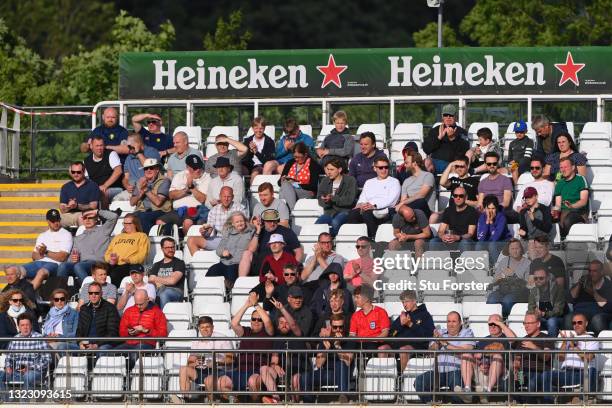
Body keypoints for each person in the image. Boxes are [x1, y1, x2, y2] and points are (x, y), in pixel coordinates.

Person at [414, 311, 475, 403]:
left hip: (456, 370)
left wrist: (445, 344)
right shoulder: (440, 332)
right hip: (437, 371)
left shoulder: (467, 333)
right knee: (419, 381)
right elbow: (430, 352)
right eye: (448, 321)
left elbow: (467, 350)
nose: (450, 324)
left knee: (457, 388)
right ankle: (431, 404)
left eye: (454, 321)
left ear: (460, 323)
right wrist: (437, 342)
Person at [5, 209, 72, 290]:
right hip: (39, 262)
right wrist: (42, 253)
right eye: (53, 221)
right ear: (48, 221)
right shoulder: (42, 235)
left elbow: (62, 257)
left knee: (41, 272)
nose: (56, 223)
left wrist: (46, 252)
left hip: (55, 264)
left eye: (57, 220)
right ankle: (13, 294)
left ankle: (28, 294)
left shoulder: (66, 234)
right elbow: (34, 255)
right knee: (18, 271)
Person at [542, 312, 599, 403]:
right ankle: (548, 403)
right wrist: (565, 342)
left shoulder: (592, 340)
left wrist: (574, 346)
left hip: (581, 373)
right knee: (546, 375)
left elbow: (588, 358)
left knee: (592, 371)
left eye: (579, 322)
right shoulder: (569, 340)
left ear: (586, 323)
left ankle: (583, 398)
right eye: (574, 323)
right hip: (566, 373)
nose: (576, 325)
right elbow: (560, 358)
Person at [176, 316, 234, 403]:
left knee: (209, 379)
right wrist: (194, 363)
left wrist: (216, 363)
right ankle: (185, 399)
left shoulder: (222, 338)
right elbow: (190, 362)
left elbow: (231, 359)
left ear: (212, 327)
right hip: (202, 370)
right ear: (199, 328)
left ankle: (212, 402)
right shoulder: (197, 341)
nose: (205, 329)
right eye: (202, 327)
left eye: (207, 327)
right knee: (183, 369)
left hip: (219, 371)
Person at [298, 313, 354, 403]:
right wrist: (326, 350)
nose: (338, 330)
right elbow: (319, 364)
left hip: (343, 375)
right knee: (305, 376)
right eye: (335, 327)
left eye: (341, 327)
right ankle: (308, 401)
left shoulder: (349, 340)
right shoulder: (325, 340)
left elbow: (348, 362)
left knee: (340, 364)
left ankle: (343, 396)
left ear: (344, 327)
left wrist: (338, 346)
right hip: (327, 374)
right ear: (331, 327)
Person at [260, 297, 305, 404]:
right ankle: (276, 399)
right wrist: (275, 365)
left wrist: (282, 309)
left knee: (295, 379)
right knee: (264, 369)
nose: (284, 325)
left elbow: (293, 325)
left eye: (286, 323)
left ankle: (294, 403)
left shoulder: (297, 334)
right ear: (278, 325)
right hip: (282, 373)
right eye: (281, 323)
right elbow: (274, 359)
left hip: (298, 371)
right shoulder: (277, 338)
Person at [57, 208, 118, 287]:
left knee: (78, 266)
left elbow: (114, 216)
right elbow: (71, 258)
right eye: (85, 218)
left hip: (99, 264)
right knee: (63, 266)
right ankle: (60, 293)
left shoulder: (103, 230)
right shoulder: (78, 238)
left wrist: (96, 211)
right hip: (82, 265)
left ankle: (90, 290)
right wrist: (73, 259)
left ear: (96, 219)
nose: (87, 220)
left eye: (90, 217)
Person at [229, 292, 274, 398]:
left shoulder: (268, 333)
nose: (256, 321)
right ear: (250, 320)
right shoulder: (246, 331)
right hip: (240, 371)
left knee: (253, 381)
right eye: (253, 319)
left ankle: (255, 404)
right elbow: (234, 323)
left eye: (259, 320)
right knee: (222, 381)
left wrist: (256, 305)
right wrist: (247, 305)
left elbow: (267, 321)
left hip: (258, 372)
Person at [346, 156, 400, 239]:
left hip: (384, 210)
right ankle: (355, 238)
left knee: (367, 212)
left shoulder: (394, 182)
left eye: (386, 167)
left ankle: (373, 237)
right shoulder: (369, 182)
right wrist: (360, 205)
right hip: (368, 207)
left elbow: (391, 201)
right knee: (353, 213)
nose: (384, 170)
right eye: (381, 168)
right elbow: (363, 197)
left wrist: (374, 206)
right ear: (375, 168)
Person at [239, 209, 303, 277]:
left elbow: (298, 251)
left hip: (281, 264)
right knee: (246, 253)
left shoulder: (287, 232)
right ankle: (241, 282)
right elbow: (251, 250)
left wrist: (294, 267)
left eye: (274, 221)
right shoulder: (260, 232)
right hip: (262, 265)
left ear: (277, 221)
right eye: (269, 221)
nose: (272, 224)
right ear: (264, 222)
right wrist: (258, 231)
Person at [0, 313, 51, 396]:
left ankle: (24, 403)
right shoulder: (15, 339)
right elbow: (9, 358)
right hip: (17, 372)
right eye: (22, 325)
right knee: (1, 375)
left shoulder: (39, 338)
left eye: (27, 325)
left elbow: (47, 359)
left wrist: (30, 368)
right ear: (19, 327)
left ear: (31, 325)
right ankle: (6, 401)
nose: (25, 327)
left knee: (28, 376)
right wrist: (8, 367)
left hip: (35, 372)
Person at [186, 186, 246, 255]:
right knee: (191, 240)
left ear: (232, 197)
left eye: (228, 197)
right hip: (219, 240)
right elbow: (208, 232)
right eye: (224, 196)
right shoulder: (214, 210)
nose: (226, 199)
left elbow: (245, 229)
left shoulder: (240, 209)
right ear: (220, 197)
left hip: (235, 239)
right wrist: (204, 232)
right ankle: (198, 264)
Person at [511, 312, 555, 404]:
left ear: (538, 324)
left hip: (540, 372)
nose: (526, 326)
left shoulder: (546, 338)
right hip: (523, 373)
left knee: (532, 381)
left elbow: (546, 357)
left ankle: (530, 403)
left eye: (529, 323)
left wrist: (533, 347)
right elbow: (517, 360)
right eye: (525, 323)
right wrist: (516, 367)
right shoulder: (522, 340)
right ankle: (520, 402)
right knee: (509, 381)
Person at [470, 315, 516, 401]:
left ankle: (487, 391)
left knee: (497, 356)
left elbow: (513, 339)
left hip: (502, 372)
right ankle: (469, 391)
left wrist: (501, 324)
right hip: (484, 371)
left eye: (495, 324)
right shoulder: (483, 341)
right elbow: (476, 358)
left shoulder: (506, 338)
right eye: (490, 324)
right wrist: (480, 364)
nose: (493, 326)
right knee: (468, 357)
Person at [387, 290, 435, 372]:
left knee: (404, 349)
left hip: (417, 347)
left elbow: (427, 335)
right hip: (398, 346)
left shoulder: (425, 315)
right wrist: (401, 325)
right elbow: (391, 333)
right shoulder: (403, 316)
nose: (404, 305)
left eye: (407, 301)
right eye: (403, 302)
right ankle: (387, 379)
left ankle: (402, 379)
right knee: (383, 348)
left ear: (414, 301)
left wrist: (410, 324)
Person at [118, 289, 168, 366]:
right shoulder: (128, 311)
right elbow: (121, 331)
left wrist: (146, 330)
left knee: (135, 354)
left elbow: (163, 334)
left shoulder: (157, 312)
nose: (138, 307)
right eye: (136, 304)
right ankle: (121, 375)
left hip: (147, 343)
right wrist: (129, 332)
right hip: (129, 343)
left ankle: (130, 376)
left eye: (141, 304)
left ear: (147, 299)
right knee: (111, 354)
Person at [207, 212, 256, 287]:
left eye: (241, 221)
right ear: (233, 224)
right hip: (224, 262)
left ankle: (230, 292)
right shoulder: (228, 232)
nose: (240, 223)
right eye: (237, 222)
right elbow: (219, 248)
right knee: (212, 270)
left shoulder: (251, 232)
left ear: (245, 221)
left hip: (237, 264)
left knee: (231, 272)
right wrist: (223, 252)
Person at [130, 158, 176, 234]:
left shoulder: (165, 181)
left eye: (151, 168)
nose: (148, 170)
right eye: (146, 169)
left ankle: (146, 240)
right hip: (141, 211)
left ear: (157, 169)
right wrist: (140, 193)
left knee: (143, 217)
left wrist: (146, 189)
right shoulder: (140, 182)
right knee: (129, 218)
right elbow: (132, 202)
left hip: (160, 211)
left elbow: (158, 202)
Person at [487, 239, 530, 317]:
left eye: (517, 248)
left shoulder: (528, 263)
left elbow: (528, 284)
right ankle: (494, 320)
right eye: (512, 249)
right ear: (509, 250)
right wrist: (499, 278)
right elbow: (495, 279)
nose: (515, 251)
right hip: (503, 289)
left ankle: (505, 319)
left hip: (519, 291)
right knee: (492, 299)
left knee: (507, 301)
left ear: (521, 249)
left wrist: (514, 275)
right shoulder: (504, 261)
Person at [169, 154, 211, 232]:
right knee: (159, 222)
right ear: (187, 167)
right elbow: (171, 195)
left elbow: (202, 199)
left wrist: (191, 187)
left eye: (199, 167)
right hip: (178, 210)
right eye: (195, 168)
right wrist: (186, 190)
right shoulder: (179, 176)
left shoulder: (207, 178)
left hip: (195, 209)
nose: (198, 170)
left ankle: (188, 242)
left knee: (187, 222)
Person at [104, 213, 149, 286]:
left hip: (130, 265)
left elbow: (142, 255)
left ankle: (114, 294)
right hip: (113, 264)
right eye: (124, 223)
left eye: (128, 223)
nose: (125, 225)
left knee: (115, 274)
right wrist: (110, 259)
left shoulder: (142, 236)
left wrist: (129, 260)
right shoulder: (118, 237)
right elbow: (108, 252)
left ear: (135, 224)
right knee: (98, 271)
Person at [316, 158, 357, 236]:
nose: (329, 172)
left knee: (336, 222)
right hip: (329, 212)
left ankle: (333, 242)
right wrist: (326, 201)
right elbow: (320, 199)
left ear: (339, 169)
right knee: (318, 224)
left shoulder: (350, 180)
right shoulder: (324, 181)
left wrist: (333, 198)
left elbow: (350, 200)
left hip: (345, 211)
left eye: (332, 169)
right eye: (328, 169)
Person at [569, 260, 612, 335]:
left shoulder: (608, 285)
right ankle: (573, 344)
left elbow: (606, 306)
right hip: (581, 311)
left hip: (600, 312)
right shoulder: (584, 282)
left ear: (601, 272)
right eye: (590, 271)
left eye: (594, 271)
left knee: (597, 320)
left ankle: (600, 345)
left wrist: (593, 293)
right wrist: (579, 284)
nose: (591, 274)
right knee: (568, 318)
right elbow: (571, 298)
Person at [422, 104, 469, 174]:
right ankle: (429, 183)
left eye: (451, 115)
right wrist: (438, 138)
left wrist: (452, 139)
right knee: (427, 161)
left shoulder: (462, 132)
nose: (448, 117)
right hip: (436, 163)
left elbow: (463, 152)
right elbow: (427, 150)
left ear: (456, 117)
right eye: (446, 115)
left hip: (453, 164)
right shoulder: (434, 130)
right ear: (442, 117)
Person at [115, 132, 161, 201]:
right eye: (128, 147)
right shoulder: (129, 157)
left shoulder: (152, 152)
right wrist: (126, 185)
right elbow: (126, 178)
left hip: (149, 189)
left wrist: (138, 153)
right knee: (116, 201)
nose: (129, 149)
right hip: (133, 191)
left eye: (130, 146)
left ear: (138, 144)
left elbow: (149, 166)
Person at [76, 281, 120, 351]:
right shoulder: (84, 308)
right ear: (88, 294)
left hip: (103, 344)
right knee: (62, 347)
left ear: (101, 294)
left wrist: (97, 345)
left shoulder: (110, 308)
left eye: (96, 293)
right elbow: (79, 331)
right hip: (86, 344)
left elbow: (113, 333)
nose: (93, 295)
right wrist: (80, 343)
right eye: (91, 293)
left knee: (103, 349)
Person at [431, 186, 479, 251]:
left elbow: (470, 233)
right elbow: (441, 231)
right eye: (455, 196)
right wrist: (443, 236)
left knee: (465, 242)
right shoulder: (448, 210)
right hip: (451, 239)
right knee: (434, 242)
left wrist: (458, 237)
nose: (458, 198)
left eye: (461, 196)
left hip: (464, 239)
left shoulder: (472, 211)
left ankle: (464, 261)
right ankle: (436, 261)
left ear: (466, 197)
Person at [279, 142, 323, 209]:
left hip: (307, 191)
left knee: (284, 188)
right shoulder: (290, 163)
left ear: (305, 155)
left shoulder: (313, 165)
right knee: (284, 186)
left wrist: (295, 183)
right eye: (294, 157)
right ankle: (292, 212)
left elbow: (313, 186)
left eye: (298, 157)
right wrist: (282, 179)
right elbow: (279, 182)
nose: (296, 159)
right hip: (289, 189)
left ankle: (289, 211)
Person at [552, 157, 589, 237]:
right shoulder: (559, 183)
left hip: (579, 212)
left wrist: (572, 205)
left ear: (573, 167)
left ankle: (564, 241)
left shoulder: (580, 179)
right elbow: (558, 204)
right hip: (563, 212)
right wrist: (554, 211)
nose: (563, 170)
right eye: (561, 167)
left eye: (565, 167)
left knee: (568, 220)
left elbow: (583, 201)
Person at [84, 135, 124, 207]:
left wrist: (105, 185)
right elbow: (86, 180)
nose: (99, 148)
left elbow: (118, 171)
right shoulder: (86, 161)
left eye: (101, 145)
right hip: (96, 190)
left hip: (115, 188)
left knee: (102, 193)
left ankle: (104, 215)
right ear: (91, 146)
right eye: (97, 146)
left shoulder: (111, 154)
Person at [349, 284, 390, 351]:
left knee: (371, 346)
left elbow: (385, 333)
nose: (355, 300)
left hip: (375, 343)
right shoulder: (355, 315)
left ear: (366, 298)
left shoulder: (380, 312)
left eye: (357, 297)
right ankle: (344, 360)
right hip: (360, 344)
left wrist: (373, 340)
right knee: (350, 345)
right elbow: (352, 335)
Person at [527, 266, 565, 337]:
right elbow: (530, 308)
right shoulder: (534, 291)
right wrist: (534, 313)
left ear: (547, 278)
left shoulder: (557, 289)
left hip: (557, 318)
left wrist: (544, 314)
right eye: (535, 278)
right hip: (540, 318)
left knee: (551, 321)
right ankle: (531, 344)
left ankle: (550, 345)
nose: (538, 280)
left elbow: (558, 311)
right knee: (529, 320)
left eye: (541, 278)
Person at [59, 161, 100, 227]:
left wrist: (77, 206)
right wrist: (69, 207)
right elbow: (62, 209)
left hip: (86, 214)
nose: (75, 174)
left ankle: (82, 237)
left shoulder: (93, 186)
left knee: (81, 218)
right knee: (53, 217)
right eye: (73, 172)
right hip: (69, 214)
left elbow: (93, 207)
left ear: (83, 172)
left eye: (78, 172)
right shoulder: (65, 187)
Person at [148, 237, 186, 308]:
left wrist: (156, 279)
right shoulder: (157, 264)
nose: (171, 250)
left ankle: (163, 318)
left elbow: (172, 281)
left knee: (164, 293)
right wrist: (166, 280)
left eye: (172, 247)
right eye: (167, 247)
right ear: (162, 249)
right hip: (159, 290)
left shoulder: (179, 263)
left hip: (175, 291)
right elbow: (150, 280)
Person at [395, 151, 436, 217]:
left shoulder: (428, 176)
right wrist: (402, 204)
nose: (404, 165)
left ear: (414, 163)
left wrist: (403, 203)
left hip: (425, 211)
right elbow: (403, 200)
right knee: (395, 211)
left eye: (406, 163)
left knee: (420, 201)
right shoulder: (406, 181)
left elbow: (421, 195)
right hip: (410, 211)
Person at [476, 195, 512, 263]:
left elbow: (495, 238)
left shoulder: (501, 217)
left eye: (493, 208)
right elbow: (480, 238)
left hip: (503, 241)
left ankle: (497, 267)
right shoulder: (482, 217)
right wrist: (487, 223)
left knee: (492, 245)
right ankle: (482, 268)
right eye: (488, 208)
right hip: (488, 241)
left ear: (497, 208)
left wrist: (491, 222)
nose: (490, 211)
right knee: (479, 245)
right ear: (484, 208)